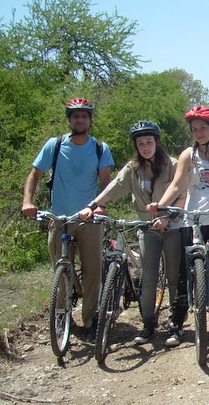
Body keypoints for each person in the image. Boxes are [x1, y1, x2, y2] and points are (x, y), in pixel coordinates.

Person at [79, 120, 187, 345]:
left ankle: (176, 324)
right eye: (141, 143)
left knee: (175, 278)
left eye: (149, 142)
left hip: (172, 228)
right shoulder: (132, 169)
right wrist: (91, 206)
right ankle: (148, 323)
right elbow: (112, 189)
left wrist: (168, 216)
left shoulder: (173, 164)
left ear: (157, 142)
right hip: (146, 228)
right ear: (136, 146)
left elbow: (182, 194)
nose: (146, 147)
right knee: (148, 279)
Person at [148, 106, 209, 347]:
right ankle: (177, 324)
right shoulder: (187, 155)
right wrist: (161, 205)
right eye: (195, 129)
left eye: (203, 128)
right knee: (182, 275)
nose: (199, 132)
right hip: (191, 220)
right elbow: (176, 184)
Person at [21, 97, 114, 338]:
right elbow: (34, 175)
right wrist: (27, 202)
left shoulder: (100, 148)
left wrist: (100, 207)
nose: (80, 120)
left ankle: (90, 318)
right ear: (69, 120)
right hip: (59, 218)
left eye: (84, 115)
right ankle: (63, 314)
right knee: (61, 269)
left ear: (90, 119)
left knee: (93, 270)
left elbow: (106, 184)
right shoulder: (55, 145)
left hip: (89, 220)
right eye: (75, 116)